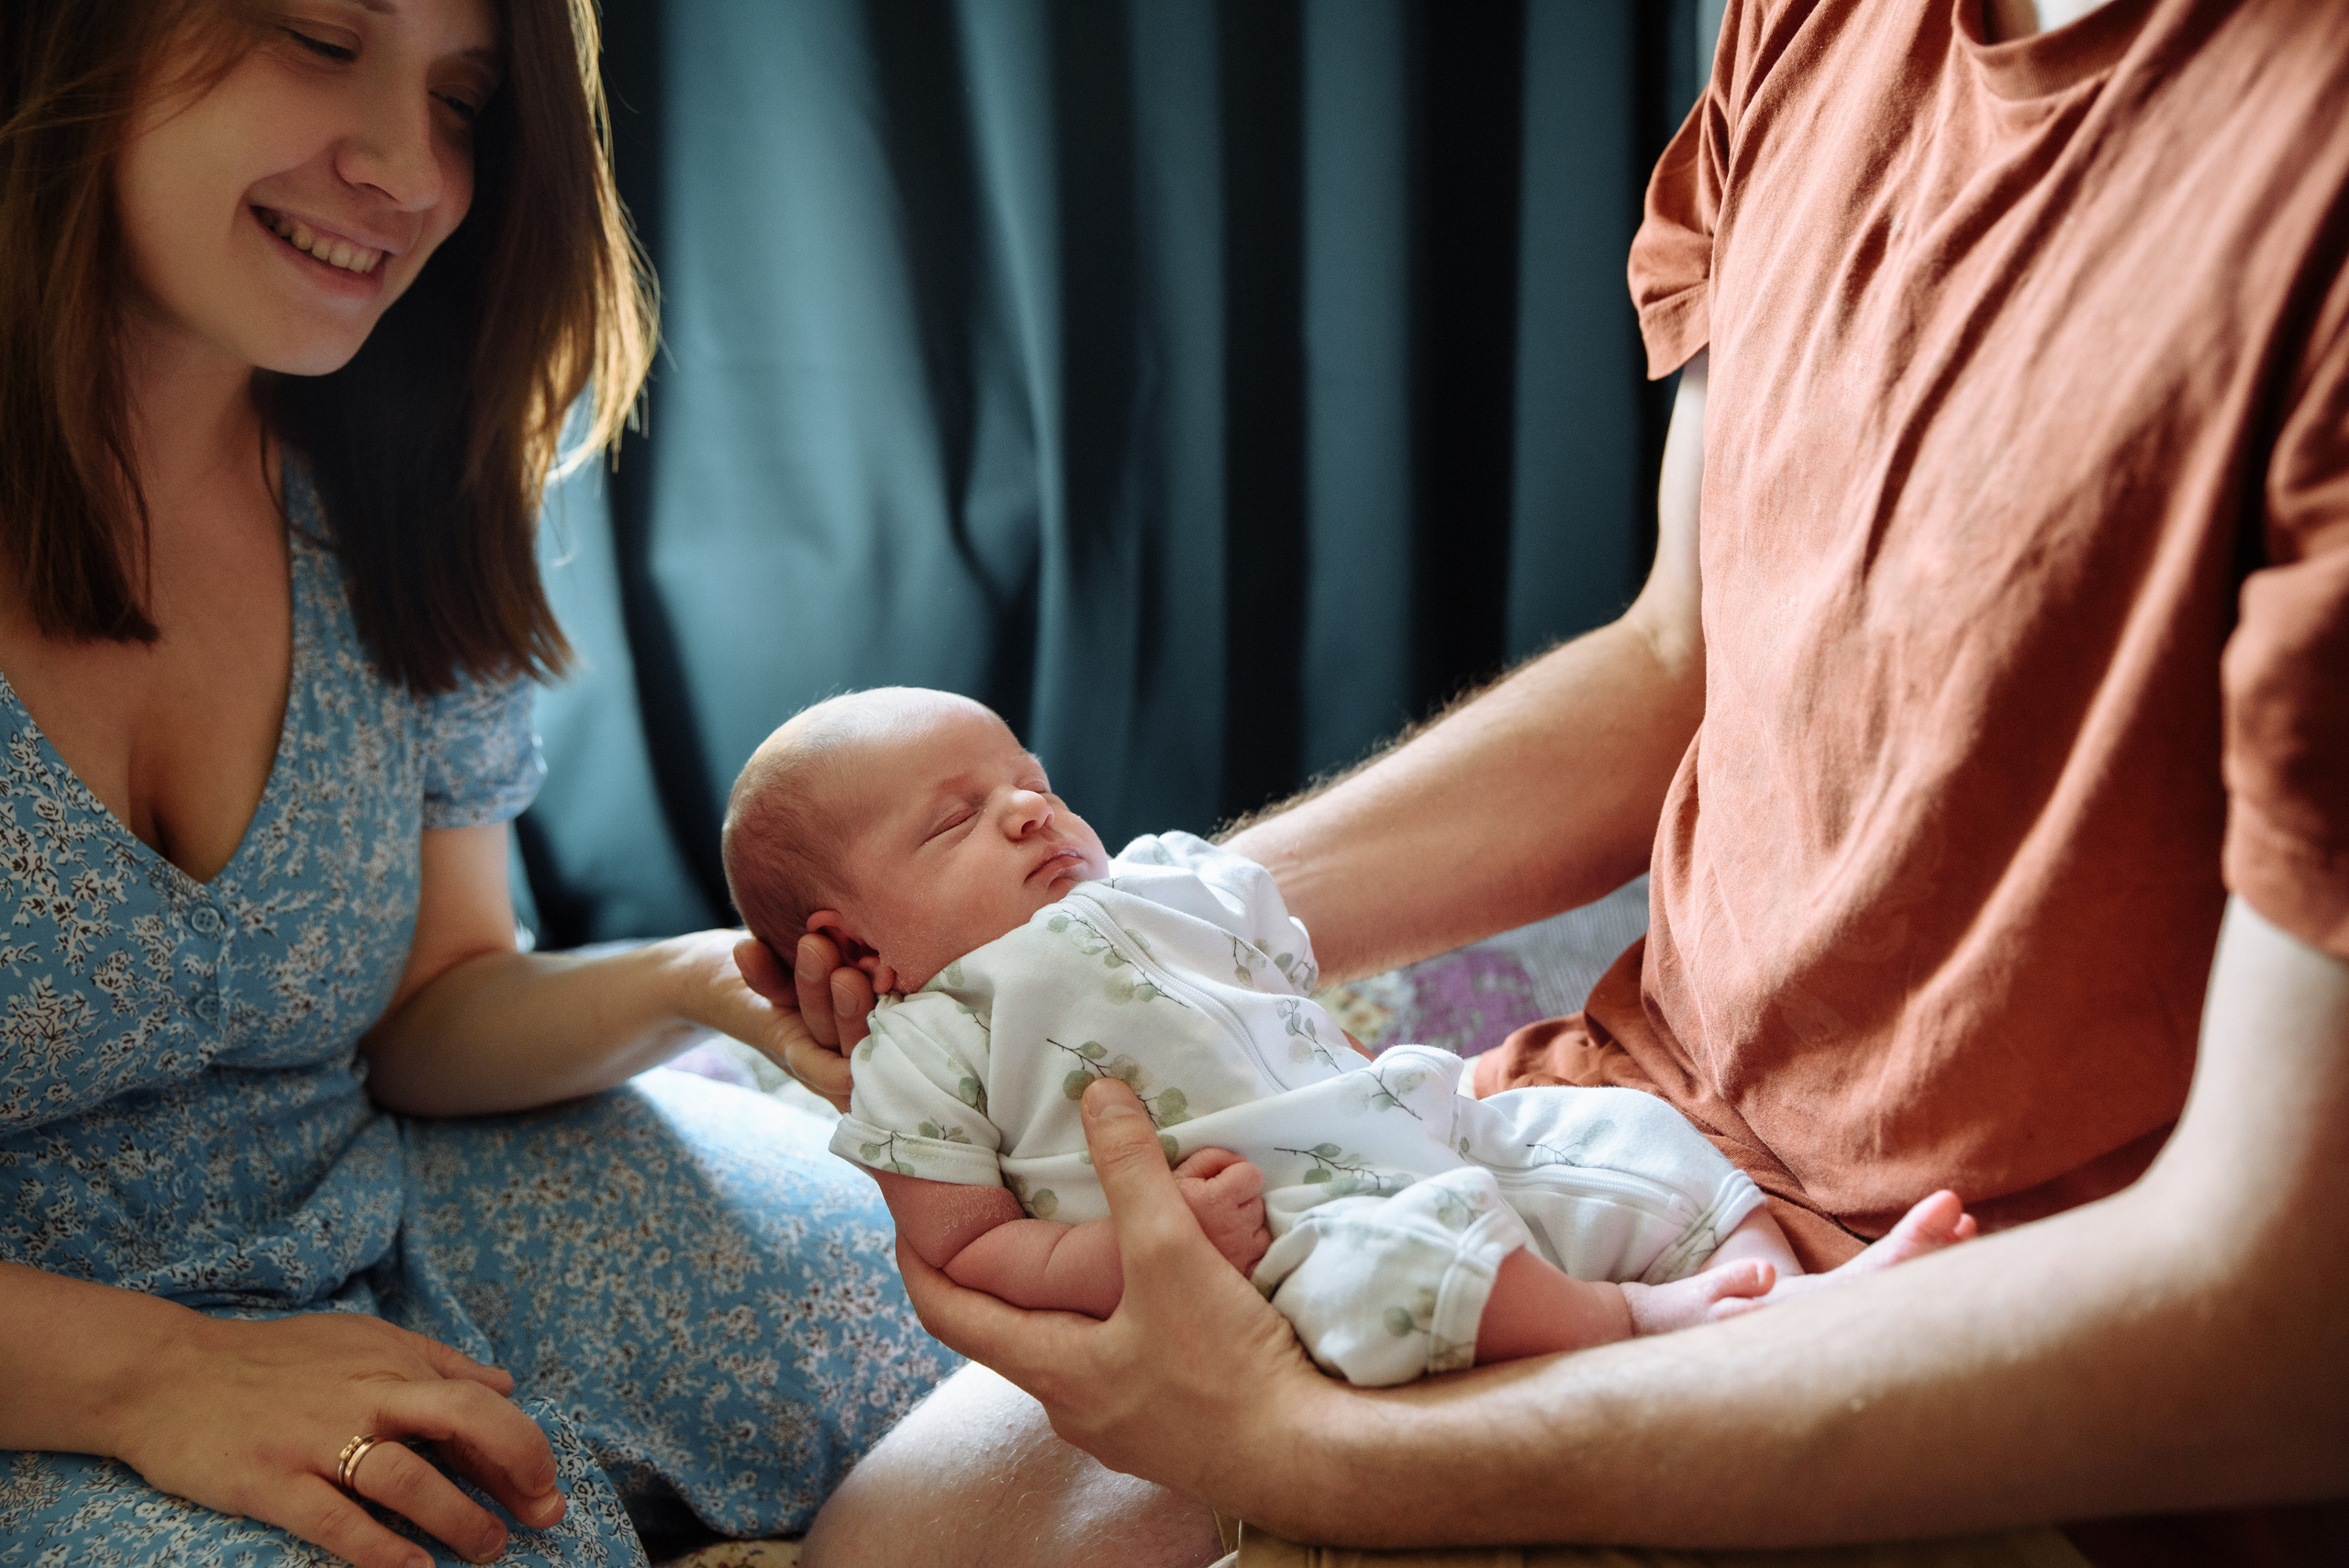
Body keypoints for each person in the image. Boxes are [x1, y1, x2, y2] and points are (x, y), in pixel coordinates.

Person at [740, 0, 2349, 1563]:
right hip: (1625, 1111)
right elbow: (1674, 665)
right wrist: (1092, 955)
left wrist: (1318, 1454)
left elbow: (2278, 1320)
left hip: (2022, 1311)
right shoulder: (1799, 26)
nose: (1018, 809)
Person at [0, 5, 951, 1567]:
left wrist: (707, 982)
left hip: (377, 1210)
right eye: (318, 38)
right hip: (47, 1375)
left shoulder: (398, 488)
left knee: (982, 1306)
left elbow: (433, 1004)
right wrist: (162, 1373)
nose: (409, 173)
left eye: (464, 102)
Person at [723, 688, 1978, 1388]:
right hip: (1290, 1232)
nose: (1027, 810)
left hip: (1422, 1128)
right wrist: (1133, 1254)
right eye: (956, 821)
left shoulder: (1166, 878)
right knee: (1400, 1274)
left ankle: (1798, 1299)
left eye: (1030, 778)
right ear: (861, 948)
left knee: (1623, 1129)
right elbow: (971, 1249)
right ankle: (1655, 1329)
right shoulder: (925, 1040)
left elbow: (1280, 981)